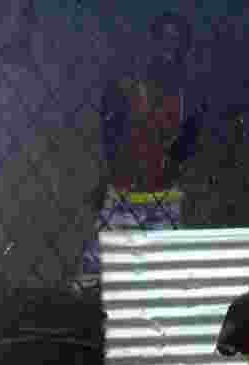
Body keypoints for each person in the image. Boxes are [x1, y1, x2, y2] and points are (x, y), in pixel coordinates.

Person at [96, 10, 206, 229]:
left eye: (176, 41)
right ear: (152, 42)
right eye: (164, 38)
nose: (170, 47)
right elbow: (111, 142)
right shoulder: (125, 87)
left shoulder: (188, 97)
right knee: (109, 251)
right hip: (123, 198)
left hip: (164, 200)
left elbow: (184, 152)